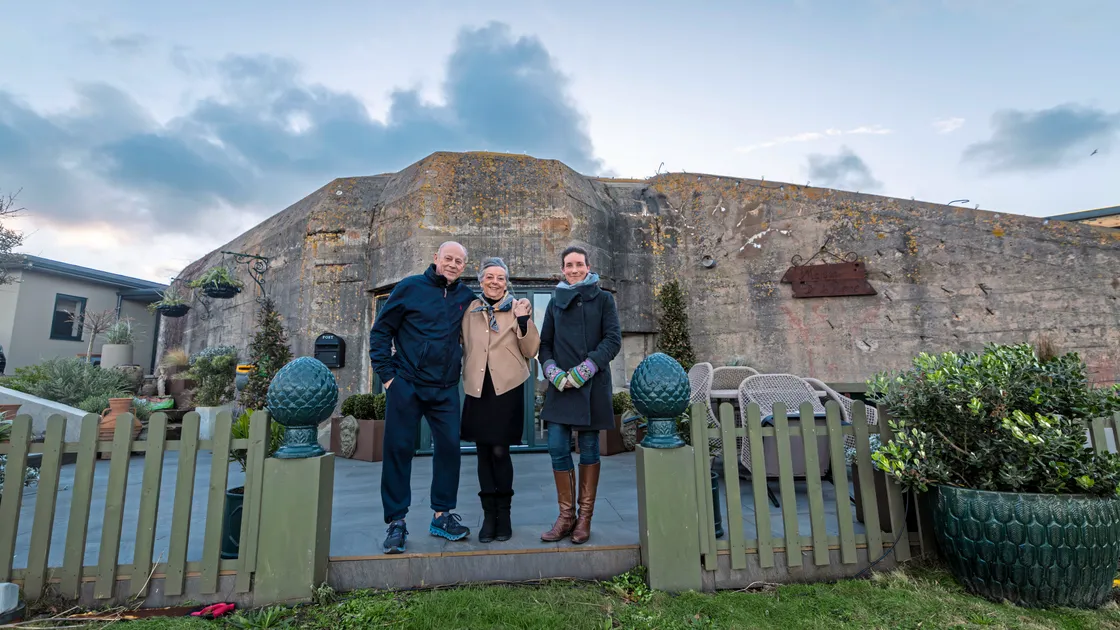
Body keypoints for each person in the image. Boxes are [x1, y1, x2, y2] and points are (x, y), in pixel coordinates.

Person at [368, 241, 477, 554]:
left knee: (448, 450)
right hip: (407, 385)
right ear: (436, 259)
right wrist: (388, 377)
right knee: (398, 450)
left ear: (463, 266)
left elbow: (485, 321)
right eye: (448, 258)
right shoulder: (409, 288)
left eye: (459, 260)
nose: (453, 264)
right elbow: (380, 333)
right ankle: (396, 523)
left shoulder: (465, 297)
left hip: (444, 389)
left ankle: (442, 516)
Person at [538, 245, 622, 544]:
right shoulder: (553, 302)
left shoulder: (603, 299)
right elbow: (544, 344)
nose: (574, 269)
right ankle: (565, 517)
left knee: (588, 449)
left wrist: (584, 370)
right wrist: (554, 372)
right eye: (569, 265)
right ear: (562, 269)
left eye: (579, 264)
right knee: (557, 446)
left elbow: (613, 340)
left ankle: (584, 518)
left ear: (588, 266)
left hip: (592, 384)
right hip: (561, 386)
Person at [460, 257, 539, 543]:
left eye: (501, 278)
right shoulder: (469, 309)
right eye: (489, 277)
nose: (495, 282)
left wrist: (522, 320)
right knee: (482, 453)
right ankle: (488, 515)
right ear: (480, 280)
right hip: (478, 387)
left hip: (506, 388)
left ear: (507, 282)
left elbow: (531, 350)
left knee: (499, 452)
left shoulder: (519, 307)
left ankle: (503, 515)